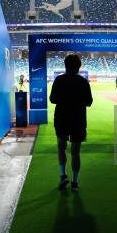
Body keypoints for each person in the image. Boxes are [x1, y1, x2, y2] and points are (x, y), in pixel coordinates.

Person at [49, 54, 93, 191]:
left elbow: (52, 100)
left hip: (61, 118)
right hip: (78, 120)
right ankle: (74, 183)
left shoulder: (59, 80)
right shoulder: (83, 82)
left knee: (61, 147)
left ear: (65, 65)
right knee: (75, 152)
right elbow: (89, 102)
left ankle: (63, 176)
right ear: (79, 67)